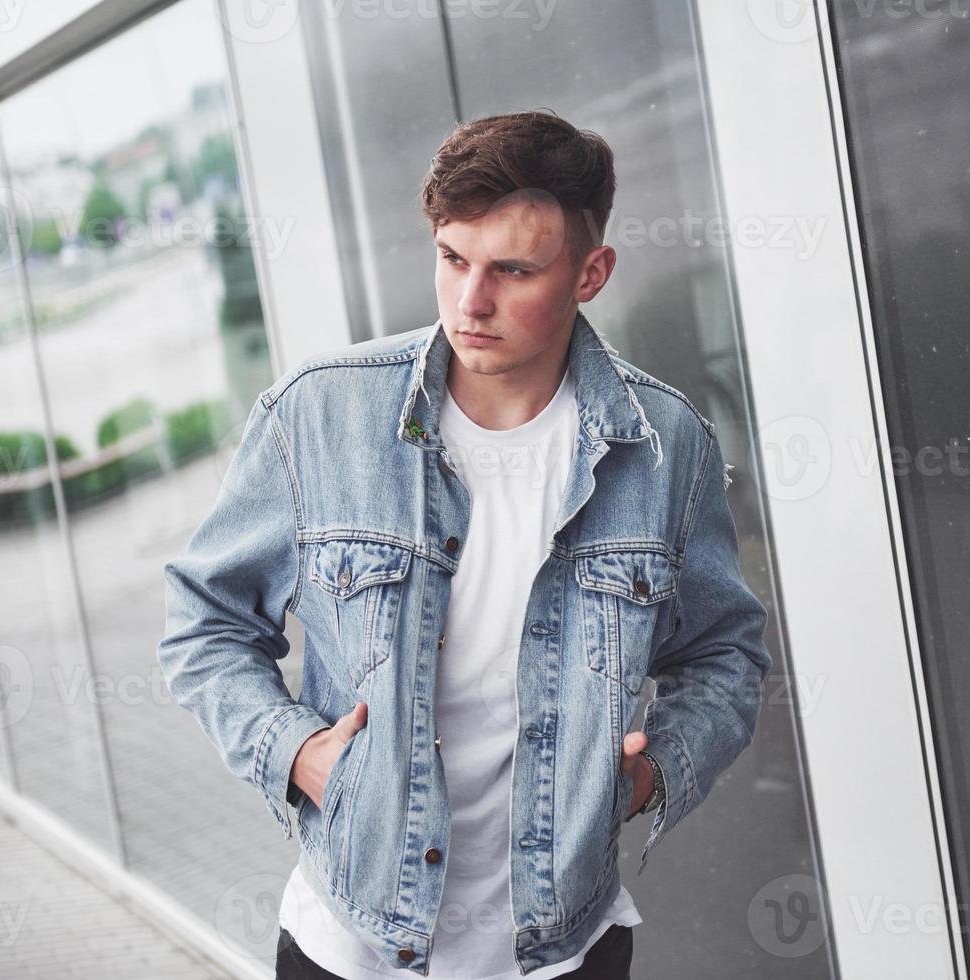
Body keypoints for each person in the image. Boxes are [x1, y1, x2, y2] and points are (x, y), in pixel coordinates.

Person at [157, 109, 772, 980]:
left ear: (590, 273)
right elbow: (204, 622)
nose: (469, 302)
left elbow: (724, 653)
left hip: (565, 952)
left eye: (512, 270)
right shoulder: (318, 416)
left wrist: (651, 775)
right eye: (452, 259)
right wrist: (293, 752)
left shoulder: (665, 446)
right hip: (351, 945)